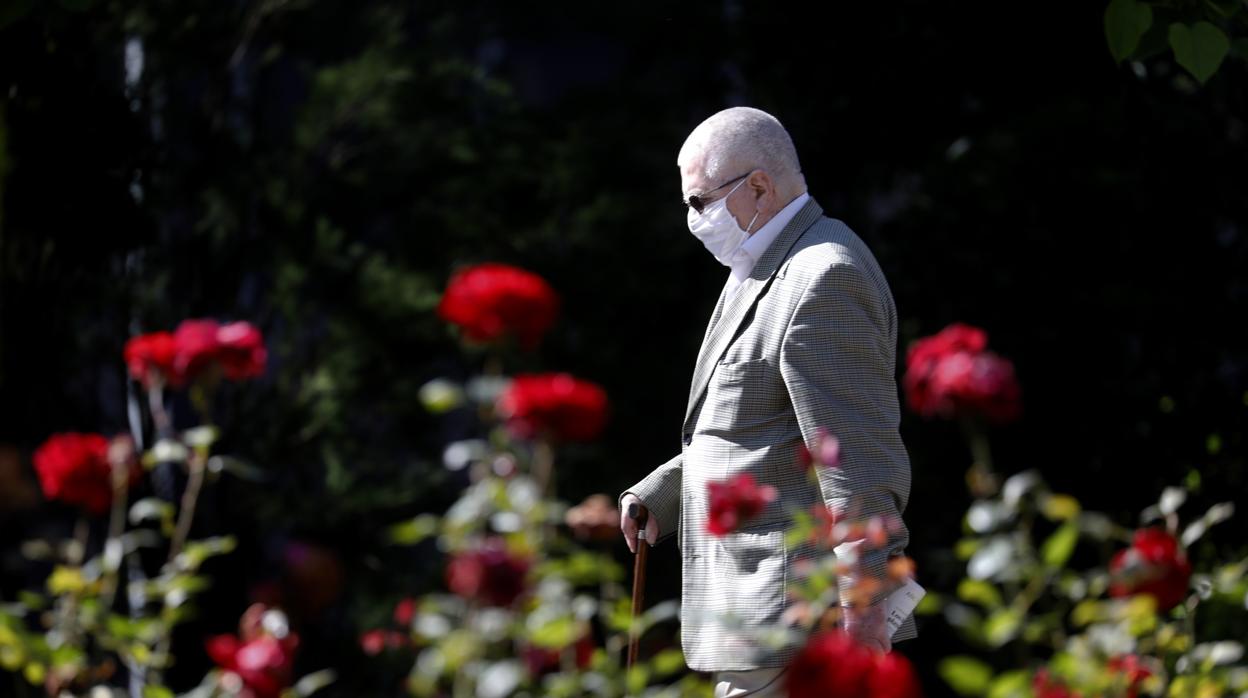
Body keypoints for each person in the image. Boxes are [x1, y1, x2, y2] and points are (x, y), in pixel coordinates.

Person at [618, 107, 917, 697]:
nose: (691, 219)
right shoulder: (764, 266)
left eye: (700, 202)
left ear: (759, 186)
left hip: (801, 632)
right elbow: (756, 424)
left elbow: (857, 461)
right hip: (761, 624)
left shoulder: (823, 275)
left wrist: (865, 608)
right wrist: (669, 490)